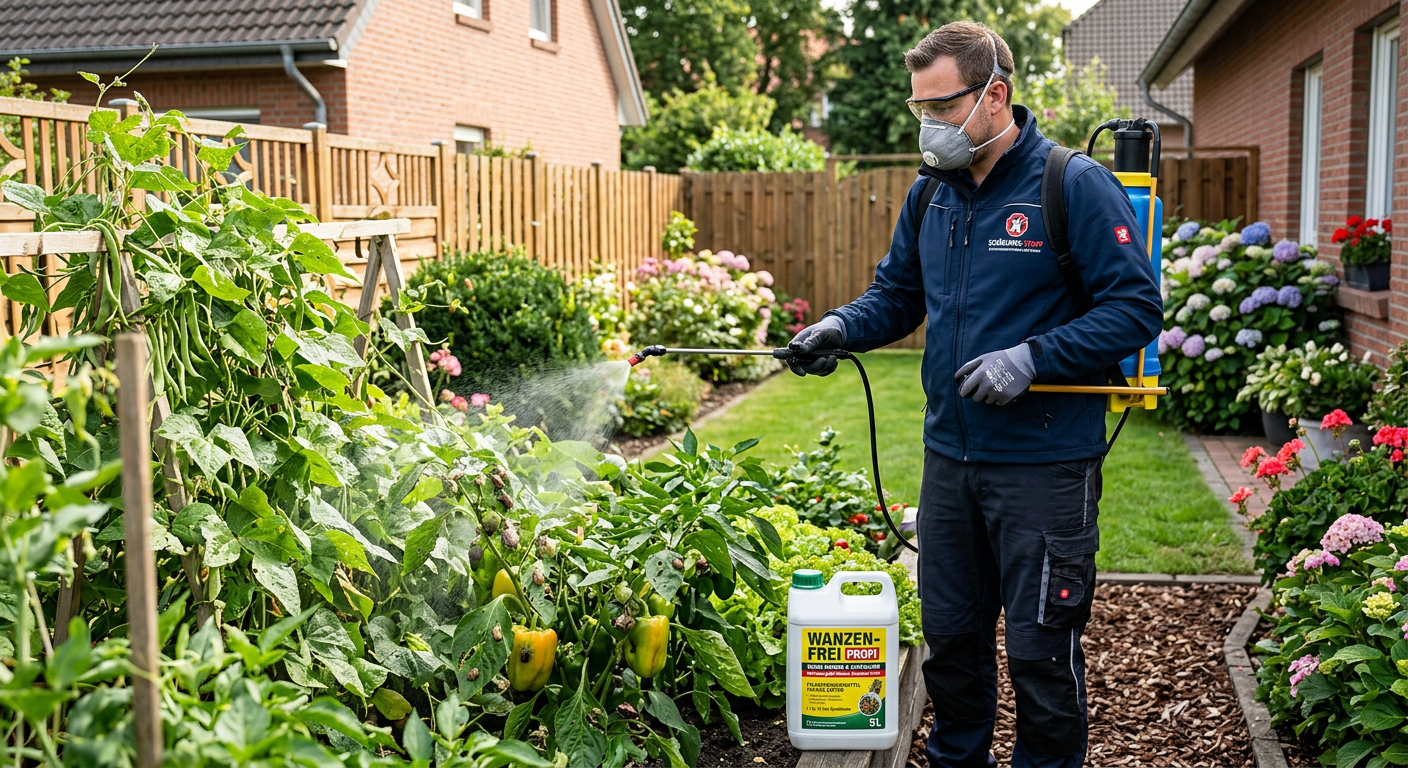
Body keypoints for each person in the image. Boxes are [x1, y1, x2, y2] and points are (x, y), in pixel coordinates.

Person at [786, 20, 1163, 768]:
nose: (929, 124)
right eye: (919, 108)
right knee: (953, 643)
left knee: (1040, 652)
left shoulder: (1069, 183)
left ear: (995, 94)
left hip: (1045, 463)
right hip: (950, 460)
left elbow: (1136, 308)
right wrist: (837, 327)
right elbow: (896, 295)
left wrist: (1031, 357)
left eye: (942, 106)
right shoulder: (933, 193)